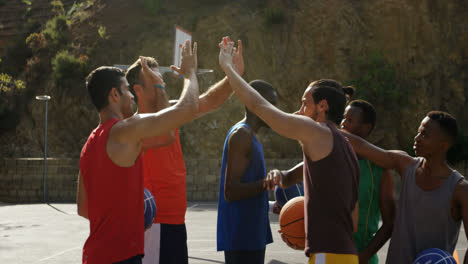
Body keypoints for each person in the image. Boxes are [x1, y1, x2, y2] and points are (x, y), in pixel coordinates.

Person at [218, 36, 360, 263]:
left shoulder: (317, 131)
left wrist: (228, 68)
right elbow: (352, 221)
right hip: (345, 254)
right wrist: (281, 178)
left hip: (328, 255)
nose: (298, 110)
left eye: (305, 103)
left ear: (322, 107)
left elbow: (259, 106)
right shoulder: (345, 149)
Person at [76, 40, 199, 264]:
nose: (131, 96)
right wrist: (189, 74)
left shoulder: (89, 145)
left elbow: (83, 209)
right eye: (126, 91)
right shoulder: (126, 130)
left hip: (95, 255)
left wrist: (126, 211)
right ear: (114, 95)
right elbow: (184, 112)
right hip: (122, 256)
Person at [125, 38, 245, 264]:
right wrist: (162, 87)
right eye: (154, 79)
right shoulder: (133, 126)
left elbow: (210, 100)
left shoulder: (169, 110)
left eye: (160, 77)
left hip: (175, 221)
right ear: (138, 90)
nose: (162, 82)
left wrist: (233, 74)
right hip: (153, 224)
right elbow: (164, 133)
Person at [343, 111, 468, 264]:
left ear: (443, 145)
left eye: (425, 135)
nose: (416, 139)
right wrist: (324, 127)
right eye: (418, 132)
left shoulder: (460, 190)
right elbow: (362, 146)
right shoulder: (405, 165)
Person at [217, 79, 278, 264]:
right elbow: (231, 192)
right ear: (252, 104)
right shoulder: (242, 135)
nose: (274, 110)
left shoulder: (252, 135)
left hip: (252, 233)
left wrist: (268, 204)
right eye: (270, 104)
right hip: (242, 237)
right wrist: (268, 182)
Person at [341, 100, 396, 264]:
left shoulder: (380, 168)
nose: (343, 123)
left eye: (350, 120)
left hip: (361, 256)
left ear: (366, 128)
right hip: (325, 253)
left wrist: (362, 258)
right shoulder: (330, 157)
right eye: (343, 118)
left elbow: (390, 223)